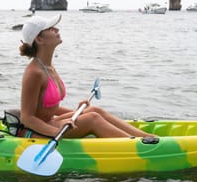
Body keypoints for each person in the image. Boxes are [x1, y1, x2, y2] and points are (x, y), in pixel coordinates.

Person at [18, 14, 154, 139]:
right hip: (36, 132)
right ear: (39, 39)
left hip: (51, 123)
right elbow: (27, 118)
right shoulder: (34, 73)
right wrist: (56, 132)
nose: (57, 29)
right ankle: (135, 144)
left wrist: (78, 112)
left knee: (93, 110)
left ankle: (146, 137)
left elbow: (47, 107)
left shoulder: (48, 68)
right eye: (50, 28)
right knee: (92, 118)